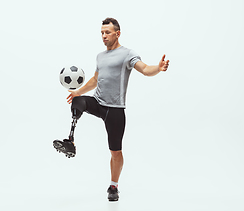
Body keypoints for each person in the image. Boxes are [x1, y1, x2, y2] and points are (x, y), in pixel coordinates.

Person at [53, 17, 170, 201]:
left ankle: (113, 186)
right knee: (77, 103)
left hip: (115, 109)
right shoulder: (100, 56)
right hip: (98, 103)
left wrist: (159, 68)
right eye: (101, 32)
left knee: (115, 152)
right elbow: (94, 79)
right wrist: (78, 92)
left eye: (107, 32)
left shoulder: (127, 54)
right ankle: (70, 142)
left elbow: (145, 69)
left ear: (118, 33)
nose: (104, 35)